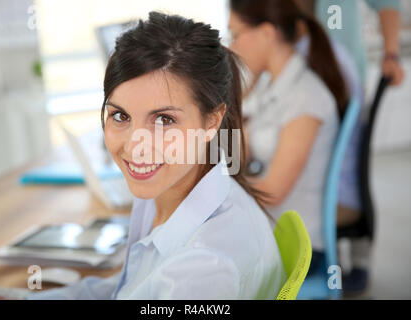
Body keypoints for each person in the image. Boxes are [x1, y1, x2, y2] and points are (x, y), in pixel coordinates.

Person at [26, 12, 286, 300]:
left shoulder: (200, 272)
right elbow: (130, 287)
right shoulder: (167, 191)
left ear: (212, 121)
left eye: (164, 120)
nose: (137, 146)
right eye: (120, 115)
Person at [228, 0, 349, 276]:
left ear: (267, 34)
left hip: (299, 249)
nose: (232, 47)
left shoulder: (306, 96)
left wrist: (215, 191)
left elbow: (273, 189)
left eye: (236, 35)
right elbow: (239, 155)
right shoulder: (271, 86)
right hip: (270, 230)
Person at [295, 0, 405, 295]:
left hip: (342, 87)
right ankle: (332, 259)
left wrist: (391, 53)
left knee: (348, 174)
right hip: (310, 88)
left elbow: (388, 3)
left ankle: (354, 259)